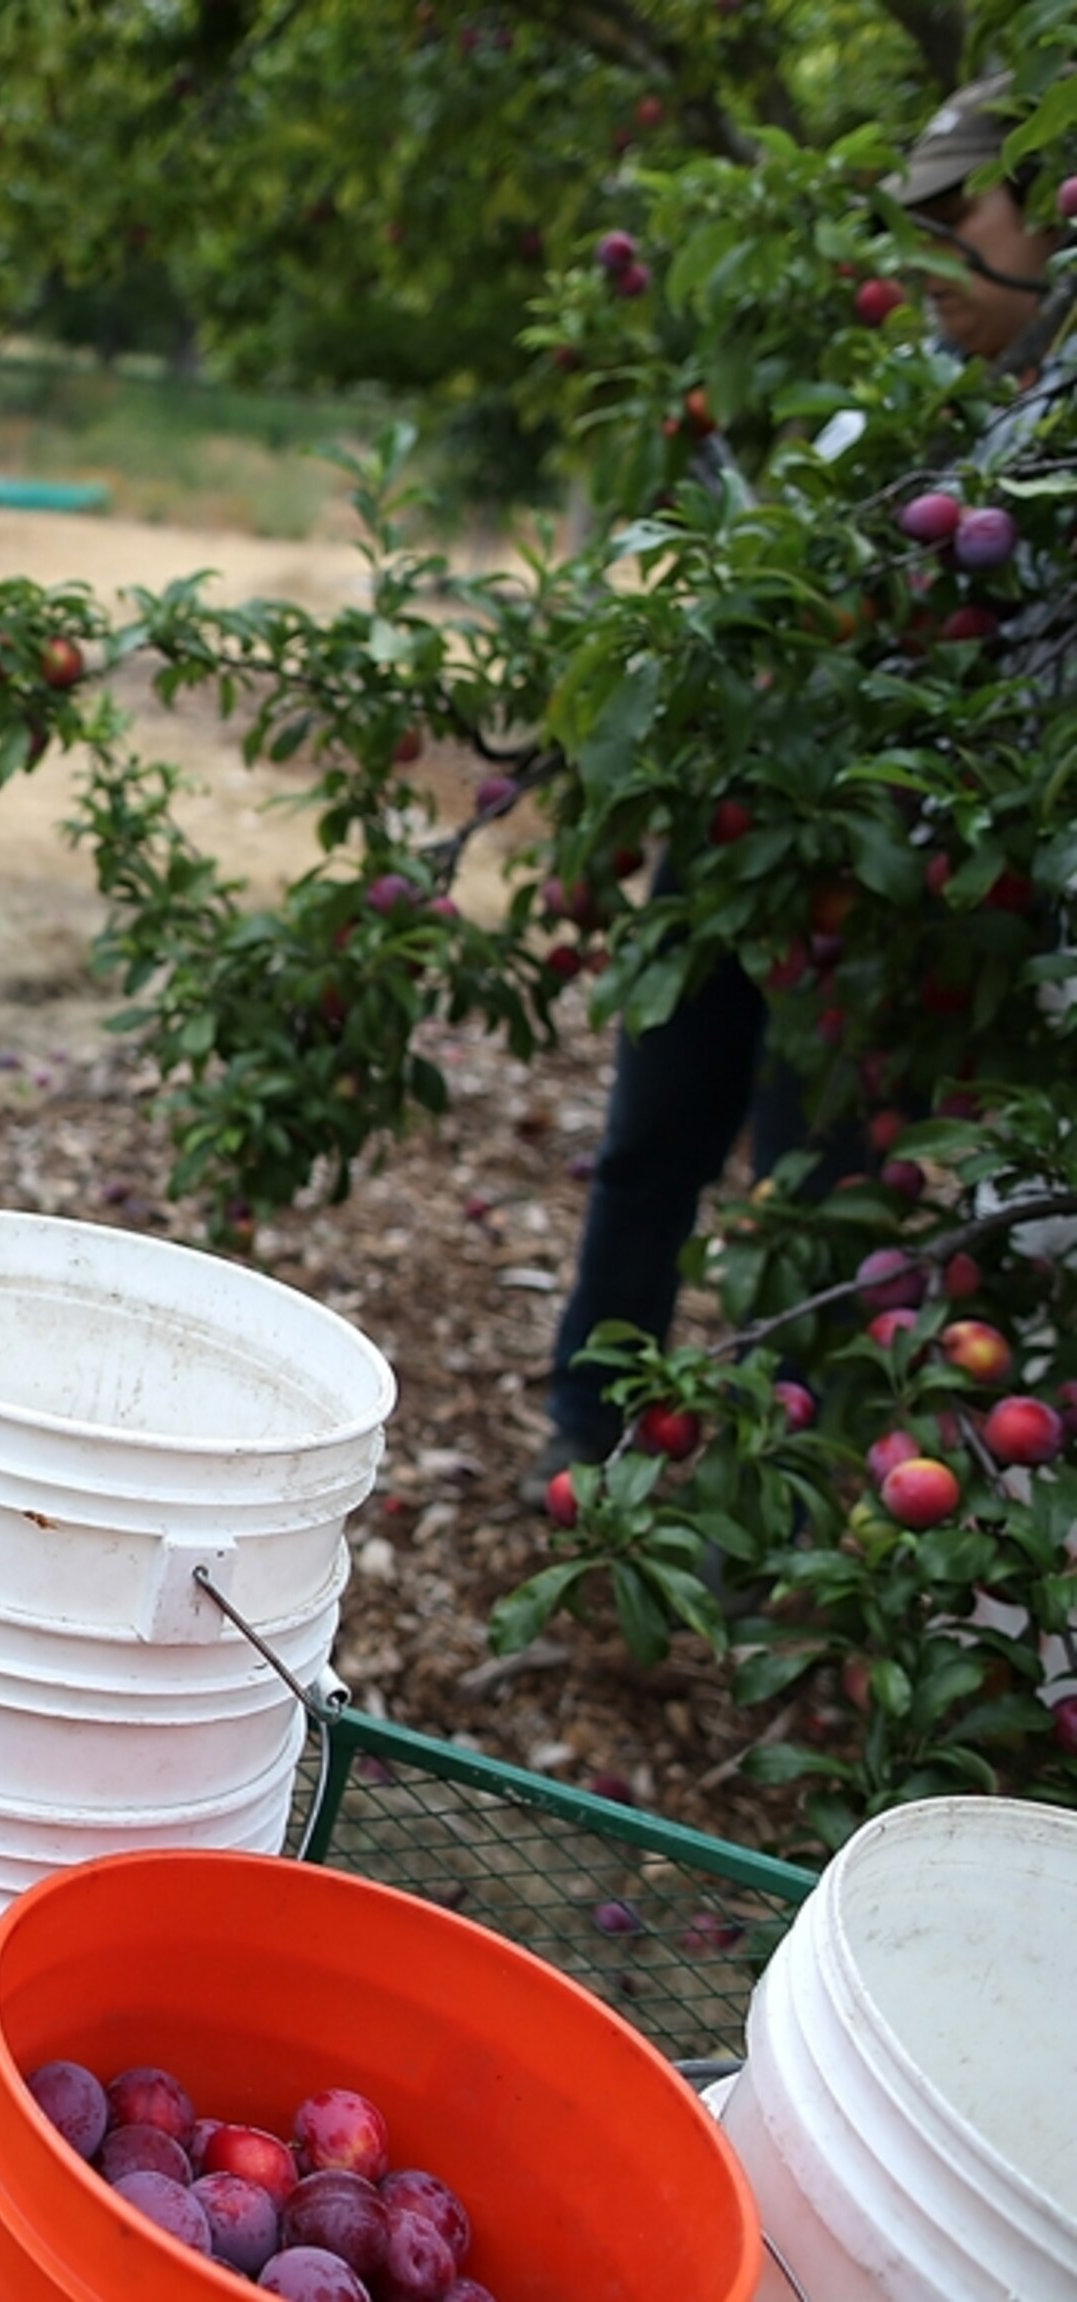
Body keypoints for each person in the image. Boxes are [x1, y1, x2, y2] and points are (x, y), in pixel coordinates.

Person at [533, 72, 1067, 1491]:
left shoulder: (1049, 459)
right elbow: (756, 608)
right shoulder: (876, 421)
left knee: (820, 1198)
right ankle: (590, 1431)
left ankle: (775, 1492)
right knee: (652, 1145)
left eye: (968, 216)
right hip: (741, 856)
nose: (933, 261)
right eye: (920, 227)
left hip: (886, 907)